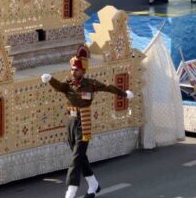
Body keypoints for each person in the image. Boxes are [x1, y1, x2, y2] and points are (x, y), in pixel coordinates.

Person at [41, 46, 133, 198]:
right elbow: (61, 87)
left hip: (83, 122)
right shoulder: (69, 82)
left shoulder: (90, 84)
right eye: (72, 69)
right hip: (70, 122)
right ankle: (93, 184)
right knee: (80, 156)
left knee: (76, 158)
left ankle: (71, 191)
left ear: (83, 71)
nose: (73, 72)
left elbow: (108, 88)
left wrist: (124, 94)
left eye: (76, 69)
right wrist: (50, 79)